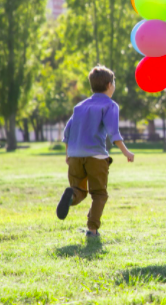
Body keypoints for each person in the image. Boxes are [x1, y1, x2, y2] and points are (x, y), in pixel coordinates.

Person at [56, 66, 135, 238]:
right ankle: (92, 230)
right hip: (96, 157)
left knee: (79, 190)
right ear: (109, 85)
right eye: (114, 83)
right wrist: (126, 152)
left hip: (75, 156)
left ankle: (71, 195)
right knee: (99, 194)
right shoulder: (110, 105)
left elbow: (67, 132)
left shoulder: (80, 106)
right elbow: (114, 133)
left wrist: (68, 154)